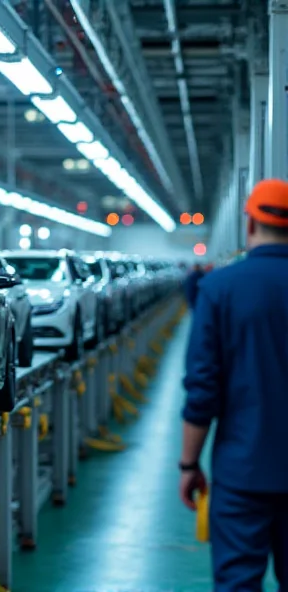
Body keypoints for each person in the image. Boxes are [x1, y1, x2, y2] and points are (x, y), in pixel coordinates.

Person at [179, 178, 288, 589]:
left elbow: (202, 388)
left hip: (244, 473)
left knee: (238, 582)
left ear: (249, 225)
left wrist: (189, 465)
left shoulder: (220, 288)